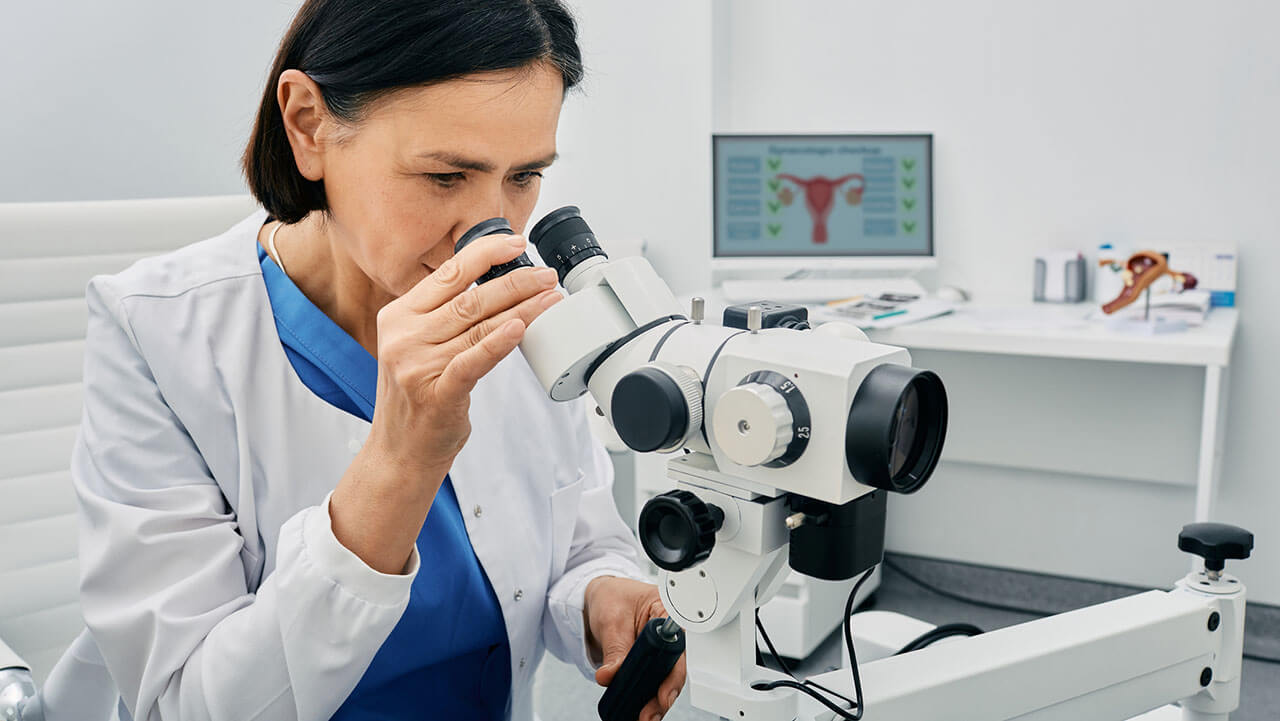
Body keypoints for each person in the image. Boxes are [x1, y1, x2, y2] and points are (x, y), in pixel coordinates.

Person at [41, 1, 685, 719]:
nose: (489, 231)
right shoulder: (156, 334)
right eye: (445, 177)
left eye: (525, 176)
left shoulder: (513, 309)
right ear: (308, 125)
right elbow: (188, 702)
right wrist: (401, 460)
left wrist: (601, 596)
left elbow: (581, 537)